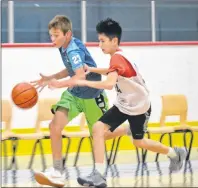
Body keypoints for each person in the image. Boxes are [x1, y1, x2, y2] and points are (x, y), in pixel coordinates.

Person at [69, 18, 187, 188]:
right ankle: (99, 175)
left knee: (139, 142)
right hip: (124, 104)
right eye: (99, 40)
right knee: (99, 131)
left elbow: (109, 84)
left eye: (102, 41)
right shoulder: (119, 56)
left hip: (139, 107)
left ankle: (175, 153)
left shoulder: (117, 59)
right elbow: (112, 72)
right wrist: (92, 69)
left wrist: (84, 82)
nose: (99, 44)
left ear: (114, 40)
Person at [32, 15, 131, 188]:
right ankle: (57, 172)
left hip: (93, 96)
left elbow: (79, 75)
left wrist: (58, 84)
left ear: (67, 34)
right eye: (51, 35)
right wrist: (51, 77)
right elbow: (70, 69)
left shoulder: (73, 50)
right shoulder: (64, 46)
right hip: (74, 94)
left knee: (101, 135)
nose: (52, 39)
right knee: (54, 126)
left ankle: (128, 129)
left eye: (56, 35)